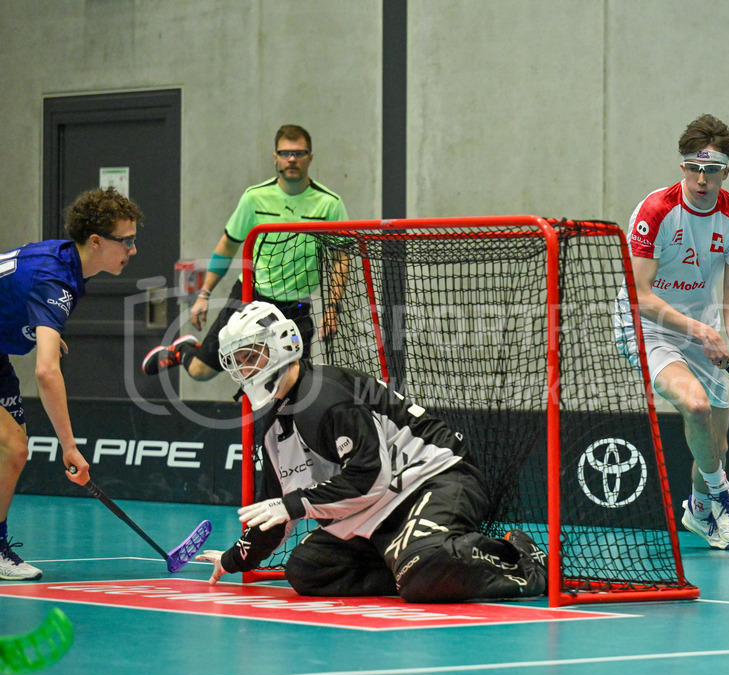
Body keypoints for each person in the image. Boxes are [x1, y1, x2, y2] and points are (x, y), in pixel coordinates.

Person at [196, 302, 547, 603]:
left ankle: (524, 562)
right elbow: (273, 512)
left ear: (282, 344)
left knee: (423, 564)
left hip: (434, 479)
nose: (244, 370)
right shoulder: (273, 426)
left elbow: (370, 477)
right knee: (307, 570)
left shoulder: (326, 398)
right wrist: (231, 560)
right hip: (373, 511)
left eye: (251, 356)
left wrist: (294, 504)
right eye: (238, 362)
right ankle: (408, 567)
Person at [615, 114, 729, 551]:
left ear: (726, 172)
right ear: (682, 167)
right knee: (695, 405)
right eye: (693, 168)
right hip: (646, 324)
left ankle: (699, 510)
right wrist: (698, 329)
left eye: (711, 170)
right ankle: (722, 498)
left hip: (702, 329)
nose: (701, 178)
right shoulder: (656, 212)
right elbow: (639, 295)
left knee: (716, 445)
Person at [0, 187, 143, 579]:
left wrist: (38, 326)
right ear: (96, 241)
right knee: (12, 445)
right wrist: (69, 447)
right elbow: (46, 372)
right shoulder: (56, 281)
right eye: (125, 241)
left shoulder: (63, 258)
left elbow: (14, 289)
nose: (132, 250)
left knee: (11, 454)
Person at [142, 124, 349, 381]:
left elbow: (342, 258)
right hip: (250, 297)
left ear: (310, 157)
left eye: (299, 153)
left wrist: (333, 309)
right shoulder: (254, 198)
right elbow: (226, 247)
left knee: (294, 385)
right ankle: (182, 351)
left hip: (296, 307)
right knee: (200, 372)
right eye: (285, 153)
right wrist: (204, 293)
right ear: (275, 158)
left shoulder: (330, 204)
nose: (292, 159)